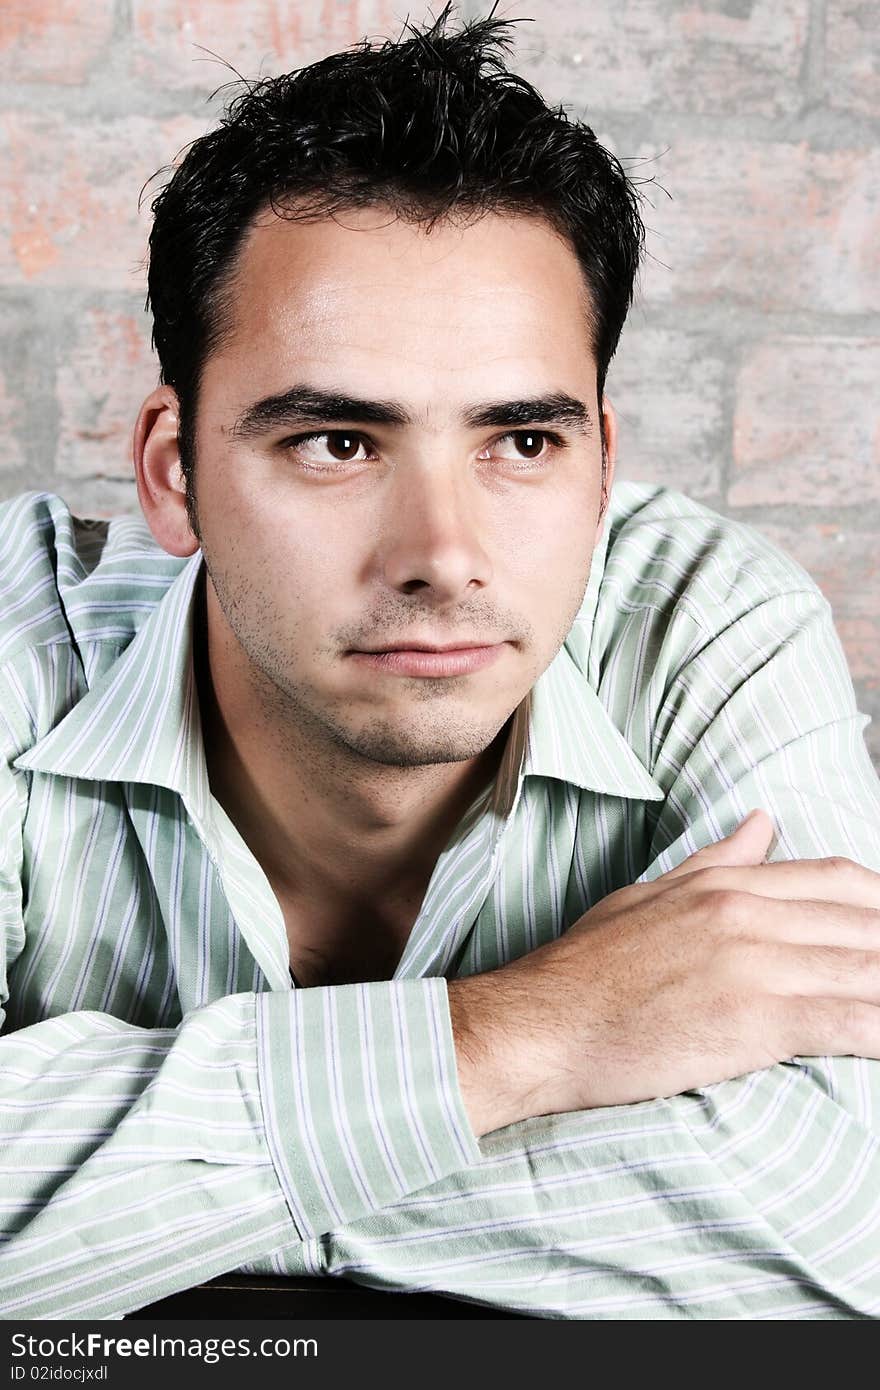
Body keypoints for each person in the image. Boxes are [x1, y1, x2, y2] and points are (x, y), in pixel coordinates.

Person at [1, 3, 879, 1321]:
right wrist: (519, 1035)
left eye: (522, 442)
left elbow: (837, 1208)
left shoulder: (706, 625)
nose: (444, 554)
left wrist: (125, 1221)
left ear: (599, 468)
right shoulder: (21, 636)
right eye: (338, 442)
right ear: (175, 474)